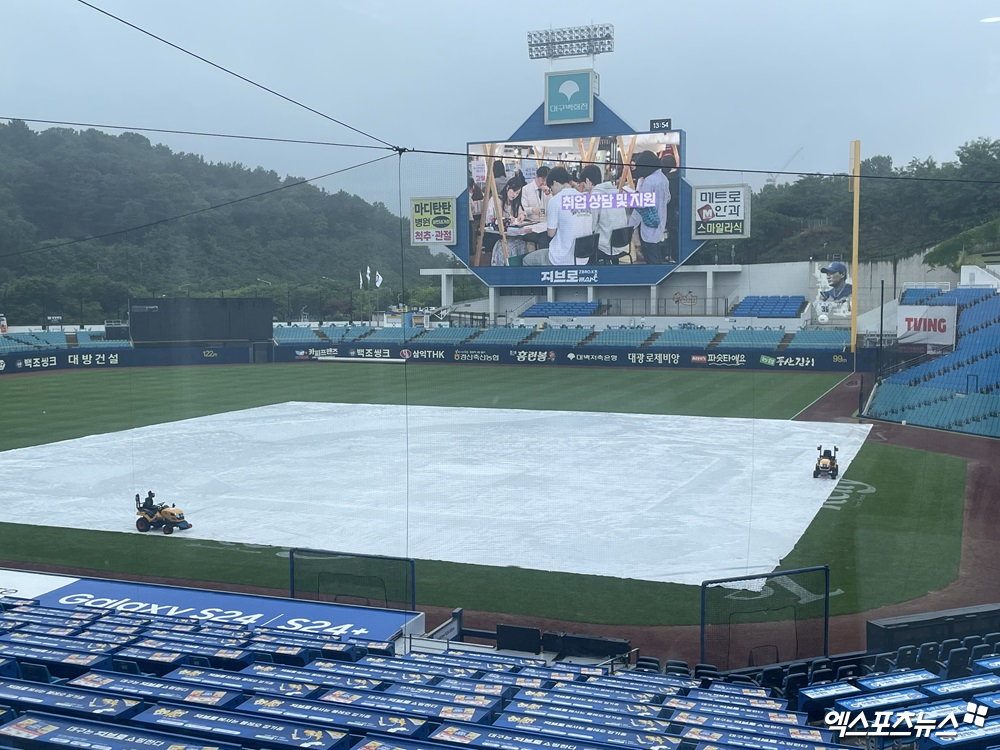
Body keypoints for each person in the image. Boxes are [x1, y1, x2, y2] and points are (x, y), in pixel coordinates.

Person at [523, 167, 593, 266]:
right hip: (583, 257)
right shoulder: (584, 199)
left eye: (551, 189)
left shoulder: (556, 200)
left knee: (527, 260)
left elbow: (551, 233)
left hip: (561, 258)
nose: (552, 192)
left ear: (555, 183)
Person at [627, 150, 671, 264]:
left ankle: (654, 279)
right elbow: (668, 198)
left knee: (650, 255)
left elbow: (641, 205)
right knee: (656, 252)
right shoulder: (663, 178)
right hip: (660, 219)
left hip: (648, 222)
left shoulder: (649, 181)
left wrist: (631, 225)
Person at [580, 164, 628, 260]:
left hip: (606, 245)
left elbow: (591, 226)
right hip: (621, 243)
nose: (585, 187)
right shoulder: (615, 193)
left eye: (584, 184)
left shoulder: (595, 197)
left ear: (587, 181)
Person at [484, 174, 529, 265]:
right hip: (496, 235)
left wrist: (522, 215)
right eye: (513, 191)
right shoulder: (496, 200)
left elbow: (522, 212)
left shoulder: (515, 202)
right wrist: (506, 219)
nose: (514, 195)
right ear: (508, 187)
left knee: (520, 243)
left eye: (517, 193)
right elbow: (489, 219)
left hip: (512, 235)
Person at [660, 151, 681, 264]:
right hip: (680, 207)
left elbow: (668, 198)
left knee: (672, 233)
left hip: (671, 210)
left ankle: (674, 255)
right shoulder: (680, 175)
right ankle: (678, 255)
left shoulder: (666, 179)